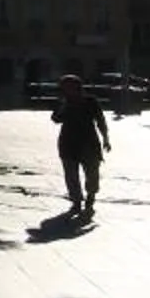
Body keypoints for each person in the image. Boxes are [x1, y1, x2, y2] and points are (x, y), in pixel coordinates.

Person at [53, 71, 112, 216]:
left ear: (78, 87)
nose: (67, 90)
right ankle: (76, 200)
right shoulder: (63, 102)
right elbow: (56, 119)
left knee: (92, 174)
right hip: (68, 143)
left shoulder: (90, 101)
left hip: (89, 143)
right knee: (71, 175)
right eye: (64, 88)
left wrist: (106, 139)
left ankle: (91, 195)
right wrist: (63, 105)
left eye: (70, 87)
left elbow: (100, 120)